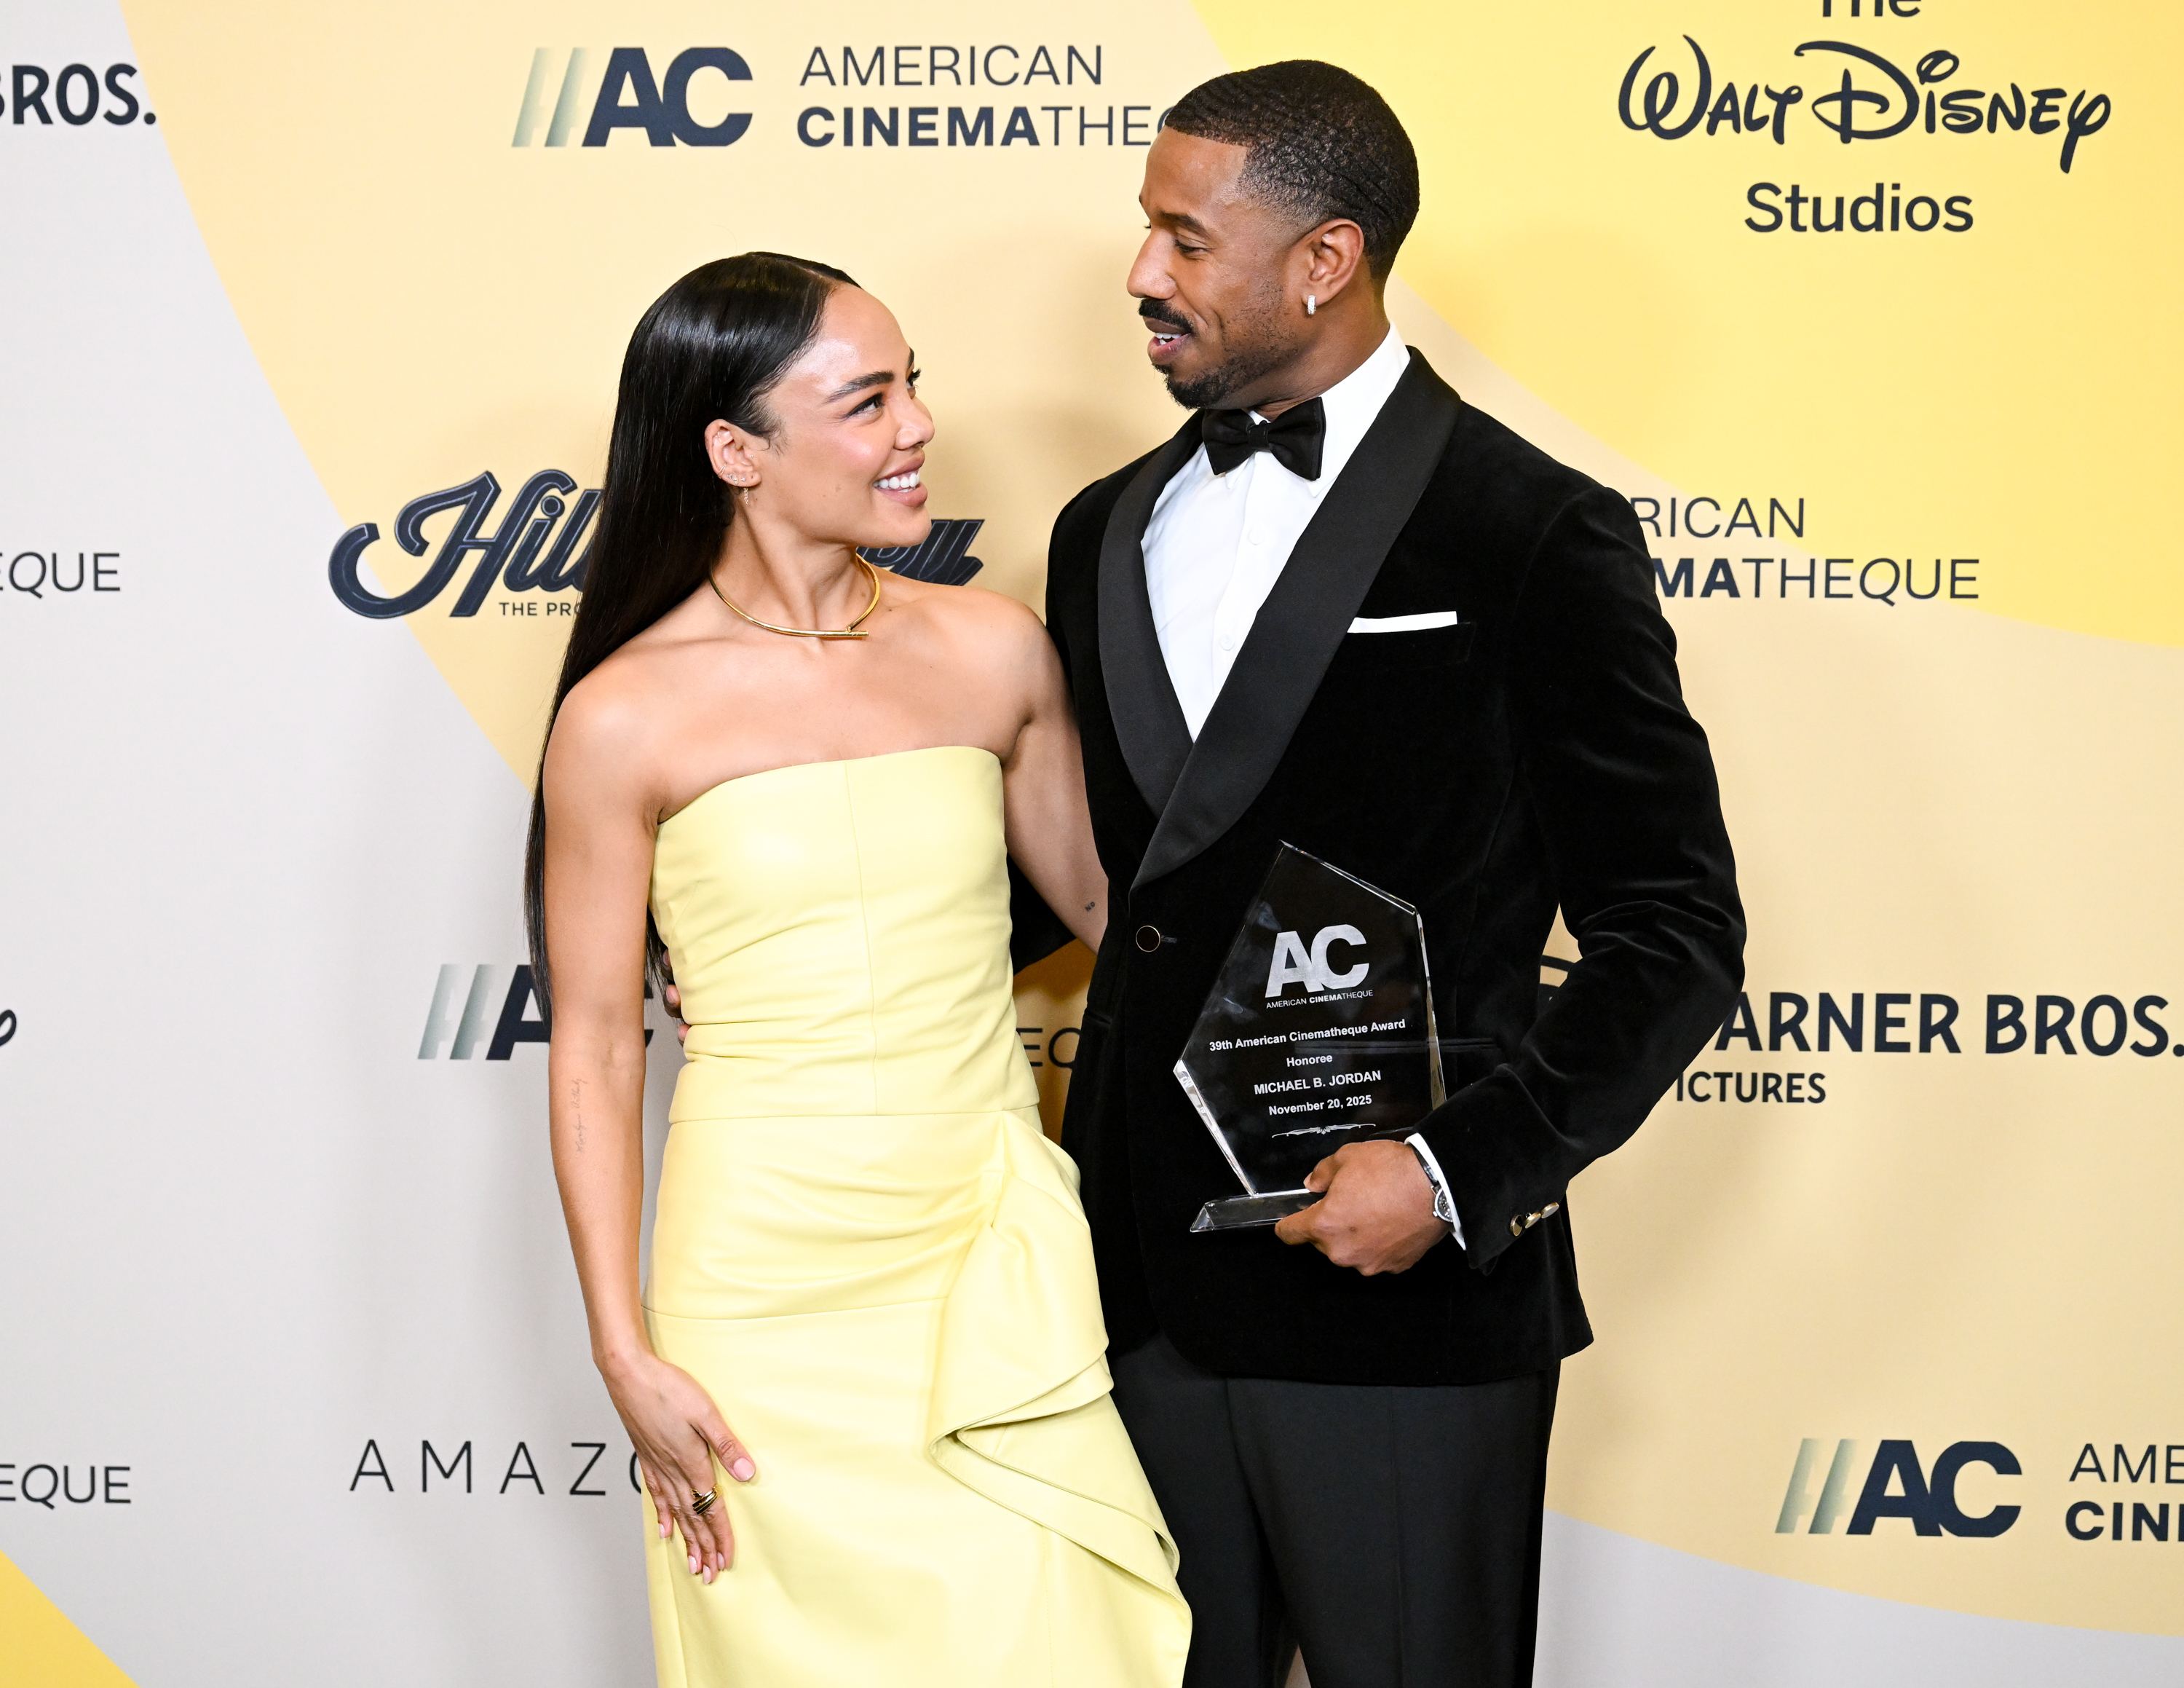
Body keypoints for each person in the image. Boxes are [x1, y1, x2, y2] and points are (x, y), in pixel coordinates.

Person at [1020, 62, 1745, 1688]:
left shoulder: (1530, 529)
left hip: (1404, 1304)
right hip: (1127, 1294)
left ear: (1324, 259)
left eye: (1182, 239)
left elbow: (1674, 929)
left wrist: (1449, 1173)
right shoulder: (1096, 531)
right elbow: (1087, 875)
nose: (1141, 274)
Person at [527, 253, 1188, 1688]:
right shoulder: (624, 716)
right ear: (735, 450)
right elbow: (593, 1045)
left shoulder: (993, 648)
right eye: (867, 399)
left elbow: (1110, 908)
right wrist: (622, 1349)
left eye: (915, 384)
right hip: (760, 1284)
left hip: (979, 1248)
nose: (917, 426)